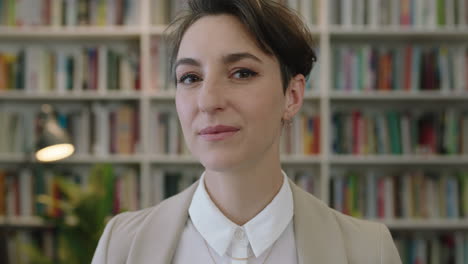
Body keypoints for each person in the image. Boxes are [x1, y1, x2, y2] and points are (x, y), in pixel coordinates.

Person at [91, 0, 402, 263]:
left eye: (241, 73)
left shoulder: (368, 250)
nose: (209, 101)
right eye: (190, 77)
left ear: (292, 96)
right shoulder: (120, 246)